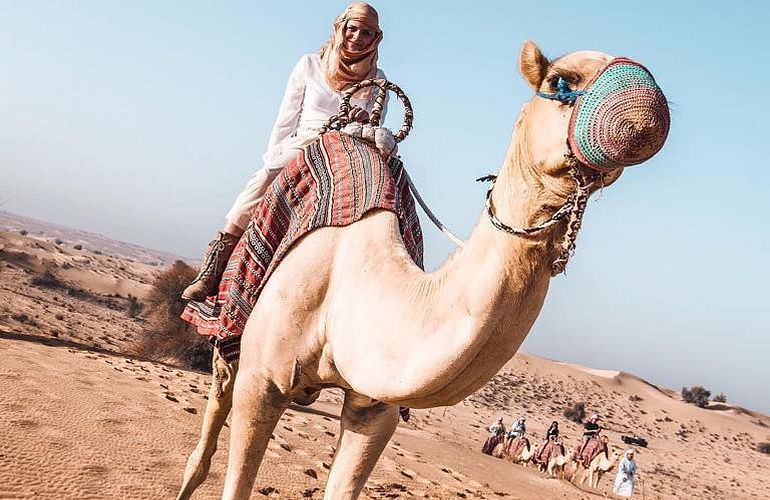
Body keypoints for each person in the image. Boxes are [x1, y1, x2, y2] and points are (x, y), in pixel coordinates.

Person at [182, 2, 387, 300]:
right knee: (263, 180)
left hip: (349, 145)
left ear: (376, 38)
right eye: (352, 28)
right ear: (340, 28)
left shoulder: (378, 79)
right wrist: (272, 160)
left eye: (366, 32)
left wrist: (362, 119)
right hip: (305, 141)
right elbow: (285, 120)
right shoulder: (310, 65)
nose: (357, 37)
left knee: (385, 193)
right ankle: (214, 268)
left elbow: (374, 120)